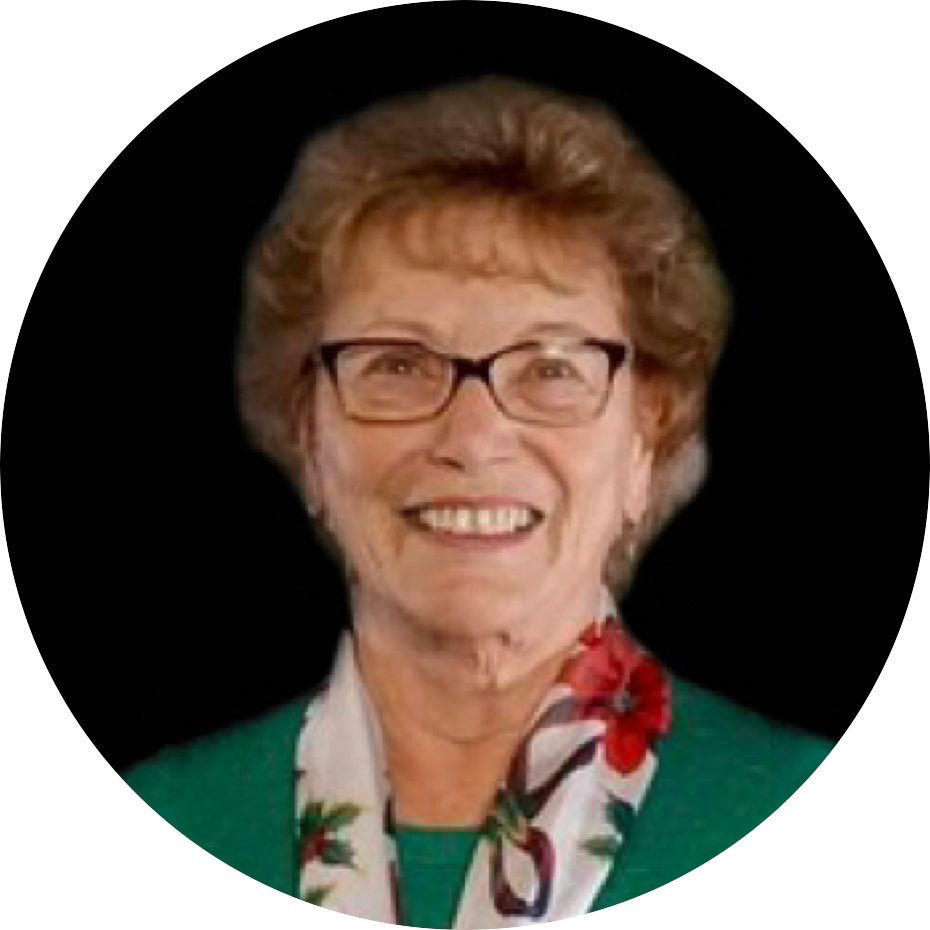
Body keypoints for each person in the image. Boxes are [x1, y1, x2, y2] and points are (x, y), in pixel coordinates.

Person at [120, 75, 834, 922]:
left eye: (551, 368)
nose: (472, 436)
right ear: (308, 438)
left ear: (646, 442)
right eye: (397, 364)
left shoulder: (782, 795)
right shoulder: (175, 813)